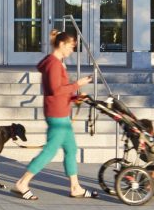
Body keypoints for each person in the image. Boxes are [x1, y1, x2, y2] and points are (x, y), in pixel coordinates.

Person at [12, 30, 96, 201]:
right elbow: (55, 90)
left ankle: (75, 187)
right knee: (50, 151)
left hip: (61, 112)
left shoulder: (55, 63)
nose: (72, 51)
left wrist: (75, 97)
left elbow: (59, 90)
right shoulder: (54, 64)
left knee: (71, 149)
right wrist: (77, 85)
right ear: (62, 44)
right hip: (57, 114)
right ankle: (22, 182)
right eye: (71, 47)